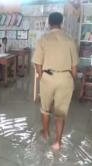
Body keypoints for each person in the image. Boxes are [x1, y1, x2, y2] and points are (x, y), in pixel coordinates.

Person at [32, 12, 78, 150]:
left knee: (45, 109)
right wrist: (72, 81)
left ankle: (46, 134)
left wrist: (41, 76)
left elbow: (37, 63)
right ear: (61, 23)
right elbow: (74, 67)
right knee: (61, 112)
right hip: (65, 78)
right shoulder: (70, 40)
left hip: (47, 78)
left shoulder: (43, 39)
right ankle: (58, 142)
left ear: (49, 23)